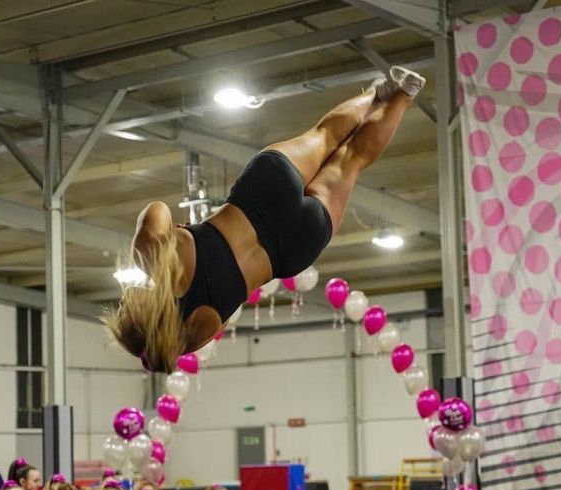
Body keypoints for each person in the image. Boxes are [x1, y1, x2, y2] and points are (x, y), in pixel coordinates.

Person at [104, 66, 425, 372]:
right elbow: (156, 208)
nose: (122, 303)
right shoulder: (153, 255)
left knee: (351, 160)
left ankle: (404, 94)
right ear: (140, 314)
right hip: (261, 196)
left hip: (293, 248)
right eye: (123, 311)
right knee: (326, 136)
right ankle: (376, 93)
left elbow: (183, 340)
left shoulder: (195, 330)